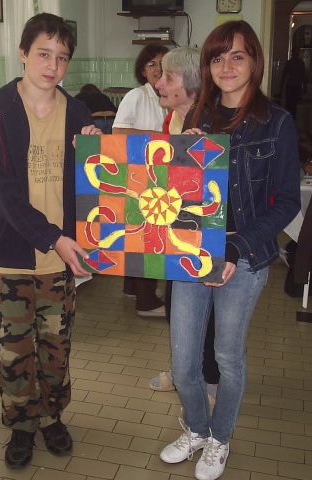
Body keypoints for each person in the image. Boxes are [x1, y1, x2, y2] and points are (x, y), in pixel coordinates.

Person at [158, 21, 300, 480]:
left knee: (226, 358)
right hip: (194, 253)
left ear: (255, 62)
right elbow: (174, 192)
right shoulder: (199, 118)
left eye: (237, 56)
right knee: (184, 363)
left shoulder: (277, 123)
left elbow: (288, 202)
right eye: (218, 57)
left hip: (246, 257)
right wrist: (95, 145)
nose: (227, 66)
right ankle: (197, 428)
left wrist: (236, 247)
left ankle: (220, 438)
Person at [0, 13, 101, 469]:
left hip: (59, 260)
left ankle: (51, 417)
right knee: (13, 350)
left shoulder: (79, 112)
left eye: (62, 58)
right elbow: (4, 192)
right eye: (44, 54)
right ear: (23, 54)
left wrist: (95, 151)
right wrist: (54, 238)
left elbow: (95, 188)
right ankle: (21, 425)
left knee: (55, 347)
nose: (53, 66)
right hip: (12, 256)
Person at [147, 47, 218, 401]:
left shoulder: (211, 120)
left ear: (191, 85)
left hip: (204, 231)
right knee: (177, 308)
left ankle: (210, 381)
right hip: (175, 226)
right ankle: (182, 371)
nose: (158, 83)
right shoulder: (172, 119)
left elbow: (217, 179)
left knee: (207, 313)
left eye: (168, 77)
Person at [113, 43, 169, 317]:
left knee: (139, 230)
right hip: (139, 172)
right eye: (152, 64)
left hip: (157, 172)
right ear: (142, 70)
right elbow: (117, 132)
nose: (158, 69)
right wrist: (157, 136)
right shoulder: (136, 96)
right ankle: (147, 302)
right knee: (149, 235)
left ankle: (133, 288)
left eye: (163, 63)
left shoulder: (167, 96)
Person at [279, 47, 306, 119]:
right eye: (294, 52)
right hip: (291, 85)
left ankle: (292, 119)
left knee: (294, 105)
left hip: (296, 86)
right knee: (289, 104)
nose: (295, 54)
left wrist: (305, 86)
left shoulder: (300, 63)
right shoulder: (289, 63)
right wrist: (281, 86)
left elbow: (303, 76)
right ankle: (289, 119)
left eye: (297, 52)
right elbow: (284, 75)